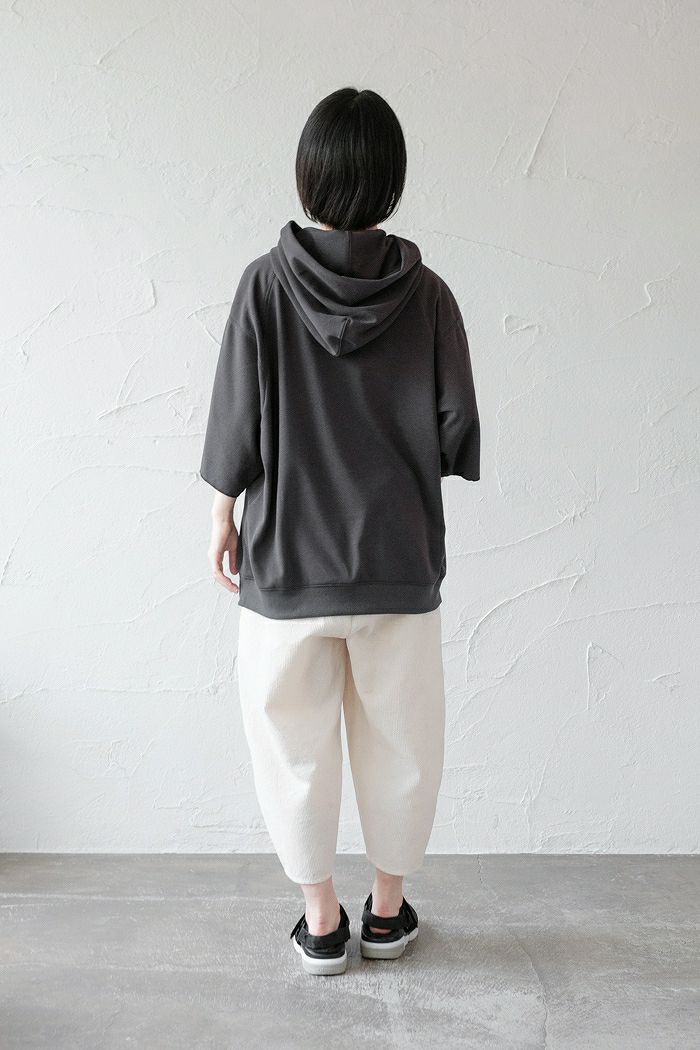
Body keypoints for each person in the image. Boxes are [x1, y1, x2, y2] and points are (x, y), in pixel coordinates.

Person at [199, 86, 480, 976]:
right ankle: (387, 914)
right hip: (398, 564)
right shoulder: (428, 296)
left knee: (292, 747)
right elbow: (456, 432)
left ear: (308, 176)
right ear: (392, 181)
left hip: (288, 566)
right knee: (404, 743)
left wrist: (222, 513)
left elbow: (236, 423)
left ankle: (321, 922)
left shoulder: (263, 285)